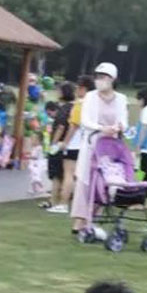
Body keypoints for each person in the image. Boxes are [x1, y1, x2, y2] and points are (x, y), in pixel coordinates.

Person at [71, 63, 129, 234]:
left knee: (104, 181)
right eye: (98, 77)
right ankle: (79, 220)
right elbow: (85, 121)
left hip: (110, 146)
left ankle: (95, 218)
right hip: (92, 143)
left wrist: (119, 127)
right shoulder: (90, 97)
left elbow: (123, 120)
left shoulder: (121, 98)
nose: (100, 80)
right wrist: (101, 128)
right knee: (85, 180)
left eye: (104, 77)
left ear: (112, 79)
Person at [59, 76, 94, 218]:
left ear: (84, 89)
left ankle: (63, 204)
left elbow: (73, 126)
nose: (77, 91)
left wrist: (65, 142)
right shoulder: (95, 104)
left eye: (78, 88)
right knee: (82, 176)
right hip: (88, 145)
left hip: (75, 144)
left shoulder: (80, 104)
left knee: (69, 174)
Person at [45, 82, 76, 213]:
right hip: (70, 145)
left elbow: (61, 127)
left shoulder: (64, 109)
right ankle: (59, 200)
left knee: (56, 175)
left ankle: (54, 201)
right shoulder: (74, 107)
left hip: (60, 144)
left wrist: (54, 143)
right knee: (65, 174)